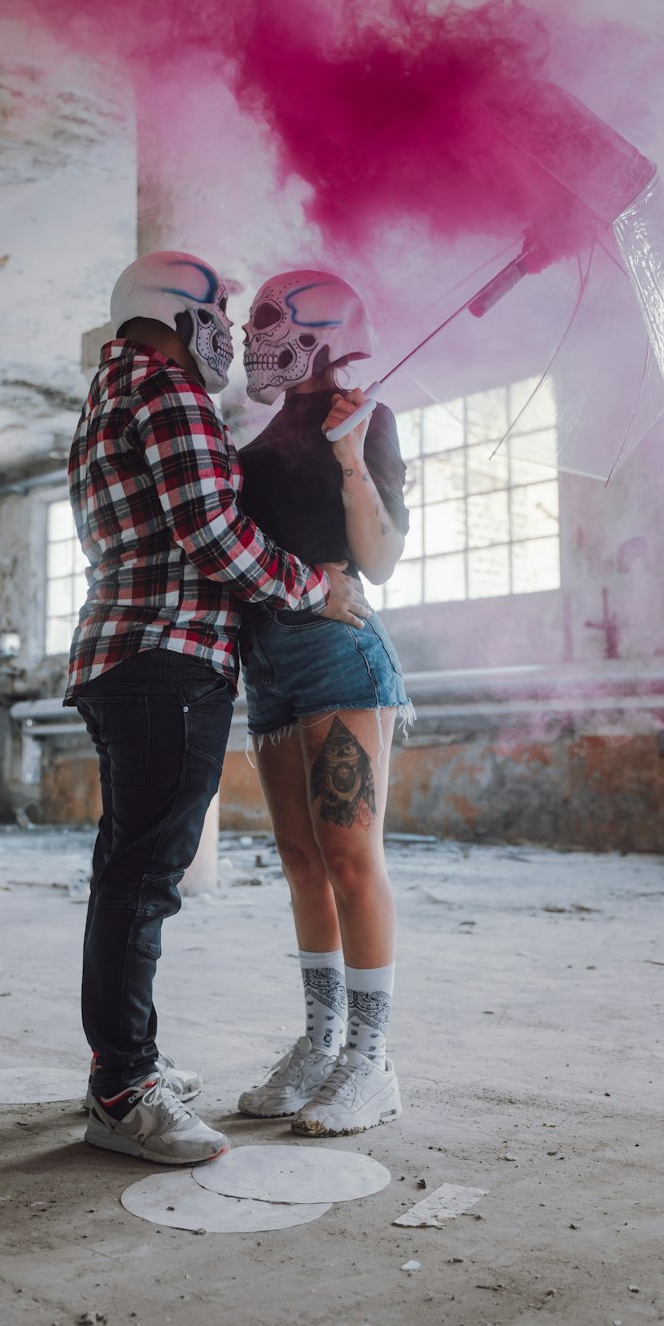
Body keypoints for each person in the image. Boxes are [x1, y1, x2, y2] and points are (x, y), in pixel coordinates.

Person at [64, 250, 371, 1167]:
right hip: (170, 660)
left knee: (125, 870)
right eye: (224, 312)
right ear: (176, 312)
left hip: (120, 656)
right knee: (144, 880)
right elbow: (214, 536)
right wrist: (312, 586)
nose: (233, 332)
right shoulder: (169, 392)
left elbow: (178, 519)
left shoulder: (109, 393)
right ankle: (123, 1091)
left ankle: (123, 1063)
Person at [235, 269, 413, 1136]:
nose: (258, 332)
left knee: (351, 861)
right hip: (267, 663)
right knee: (303, 865)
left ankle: (370, 1063)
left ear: (326, 326)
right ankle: (320, 1044)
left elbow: (378, 562)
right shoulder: (252, 429)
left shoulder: (368, 417)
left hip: (341, 659)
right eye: (256, 317)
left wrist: (349, 457)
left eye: (275, 317)